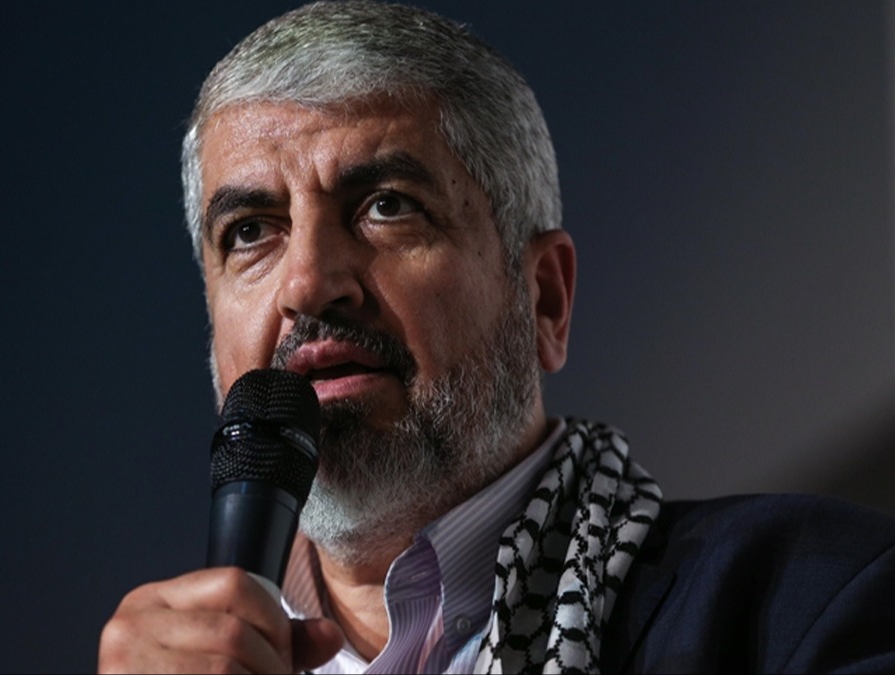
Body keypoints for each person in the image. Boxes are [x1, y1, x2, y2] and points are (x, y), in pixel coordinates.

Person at [98, 2, 895, 672]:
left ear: (544, 297)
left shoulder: (813, 600)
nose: (307, 282)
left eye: (387, 206)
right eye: (250, 231)